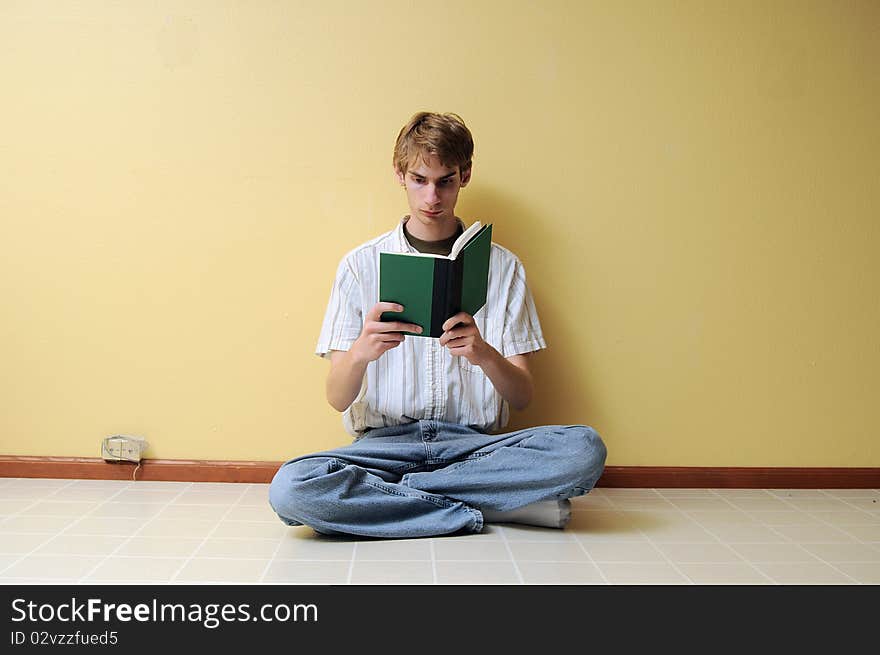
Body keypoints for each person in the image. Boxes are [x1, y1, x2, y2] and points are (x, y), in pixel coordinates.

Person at [269, 111, 606, 538]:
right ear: (399, 175)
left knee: (584, 449)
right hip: (383, 448)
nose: (432, 196)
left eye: (445, 181)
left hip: (474, 450)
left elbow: (522, 397)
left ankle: (398, 497)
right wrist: (360, 353)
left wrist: (483, 354)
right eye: (419, 180)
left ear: (464, 176)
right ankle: (487, 507)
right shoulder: (359, 267)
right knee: (292, 488)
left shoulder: (504, 268)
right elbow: (338, 399)